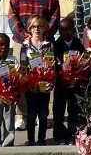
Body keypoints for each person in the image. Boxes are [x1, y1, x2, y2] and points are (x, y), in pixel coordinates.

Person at [8, 0, 60, 130]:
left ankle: (41, 114)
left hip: (44, 44)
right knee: (22, 78)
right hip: (21, 44)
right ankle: (22, 115)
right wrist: (26, 37)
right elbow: (12, 18)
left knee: (44, 75)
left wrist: (42, 35)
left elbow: (55, 18)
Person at [21, 15, 54, 146]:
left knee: (43, 114)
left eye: (39, 26)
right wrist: (28, 83)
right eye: (33, 26)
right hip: (31, 86)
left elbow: (52, 66)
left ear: (44, 28)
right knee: (31, 114)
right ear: (29, 28)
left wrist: (50, 84)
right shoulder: (25, 45)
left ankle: (41, 140)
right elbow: (23, 66)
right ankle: (30, 140)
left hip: (44, 86)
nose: (36, 29)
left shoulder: (49, 44)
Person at [52, 18, 85, 145]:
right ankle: (59, 136)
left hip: (75, 84)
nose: (65, 32)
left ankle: (72, 135)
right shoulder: (56, 45)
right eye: (61, 29)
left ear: (74, 30)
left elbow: (83, 62)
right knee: (59, 110)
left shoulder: (78, 44)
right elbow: (53, 64)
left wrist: (77, 75)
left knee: (74, 110)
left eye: (68, 29)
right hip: (61, 83)